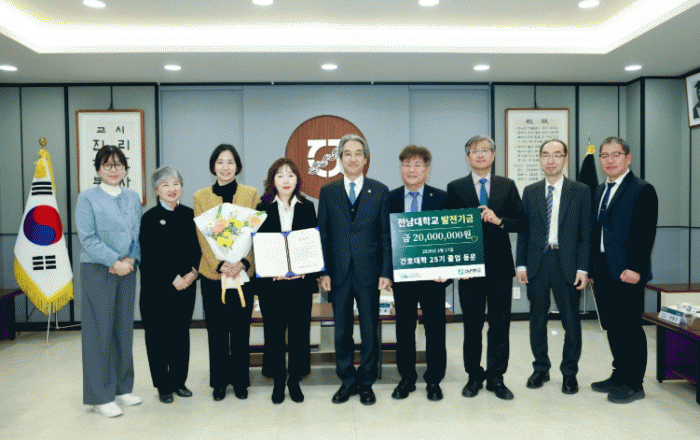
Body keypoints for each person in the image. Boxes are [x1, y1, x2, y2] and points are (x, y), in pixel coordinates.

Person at [446, 135, 525, 401]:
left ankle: (496, 377)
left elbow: (521, 221)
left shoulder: (507, 185)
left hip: (500, 267)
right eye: (474, 151)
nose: (480, 155)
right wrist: (456, 265)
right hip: (469, 268)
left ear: (493, 155)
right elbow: (449, 227)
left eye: (485, 150)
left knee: (500, 325)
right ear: (468, 157)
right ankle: (473, 375)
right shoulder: (455, 187)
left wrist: (499, 220)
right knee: (472, 326)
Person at [318, 134, 392, 405]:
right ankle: (347, 380)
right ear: (339, 159)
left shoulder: (380, 190)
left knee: (369, 330)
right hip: (337, 273)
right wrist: (323, 271)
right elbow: (323, 234)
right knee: (341, 331)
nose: (352, 158)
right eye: (347, 153)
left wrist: (386, 272)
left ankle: (367, 382)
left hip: (369, 272)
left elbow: (385, 235)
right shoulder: (328, 192)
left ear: (366, 159)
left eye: (358, 153)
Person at [515, 139, 591, 395]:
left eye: (557, 155)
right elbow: (524, 231)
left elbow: (586, 233)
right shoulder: (530, 191)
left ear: (565, 159)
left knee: (571, 320)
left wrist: (583, 268)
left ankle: (569, 372)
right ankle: (541, 368)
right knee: (537, 319)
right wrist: (521, 264)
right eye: (546, 155)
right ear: (539, 159)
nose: (551, 160)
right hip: (537, 263)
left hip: (567, 262)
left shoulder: (580, 190)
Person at [589, 136, 658, 404]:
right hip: (603, 268)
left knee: (629, 327)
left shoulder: (642, 189)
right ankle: (619, 374)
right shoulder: (599, 190)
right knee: (612, 325)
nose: (610, 160)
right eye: (604, 156)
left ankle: (634, 383)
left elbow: (645, 233)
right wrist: (592, 267)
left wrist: (635, 268)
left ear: (628, 158)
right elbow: (596, 232)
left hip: (628, 271)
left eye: (615, 155)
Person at [76, 145, 142, 418]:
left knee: (123, 329)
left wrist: (131, 260)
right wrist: (115, 261)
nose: (113, 170)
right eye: (107, 165)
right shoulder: (87, 198)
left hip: (128, 269)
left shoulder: (132, 196)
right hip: (98, 269)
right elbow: (87, 238)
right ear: (98, 169)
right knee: (98, 332)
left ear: (125, 169)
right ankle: (100, 396)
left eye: (118, 165)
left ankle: (122, 387)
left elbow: (138, 234)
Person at [193, 144, 260, 402]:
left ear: (237, 166)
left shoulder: (250, 194)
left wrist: (243, 262)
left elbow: (255, 234)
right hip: (214, 276)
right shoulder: (201, 196)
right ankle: (219, 382)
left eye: (230, 162)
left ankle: (241, 381)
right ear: (213, 166)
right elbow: (201, 236)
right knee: (217, 330)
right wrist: (219, 265)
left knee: (241, 329)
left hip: (242, 273)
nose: (225, 167)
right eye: (220, 162)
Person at [254, 158, 318, 404]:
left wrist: (306, 269)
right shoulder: (261, 208)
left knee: (299, 333)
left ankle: (295, 381)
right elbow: (258, 245)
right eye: (280, 175)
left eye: (290, 175)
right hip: (272, 285)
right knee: (274, 333)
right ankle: (279, 381)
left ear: (297, 180)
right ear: (273, 180)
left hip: (300, 284)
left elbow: (313, 243)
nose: (286, 180)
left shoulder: (307, 207)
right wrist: (272, 270)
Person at [389, 145, 449, 401]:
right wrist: (386, 273)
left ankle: (434, 380)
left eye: (417, 165)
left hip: (433, 278)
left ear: (427, 170)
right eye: (406, 165)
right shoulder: (390, 198)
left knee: (435, 329)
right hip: (402, 277)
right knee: (404, 329)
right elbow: (383, 238)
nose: (411, 170)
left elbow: (450, 238)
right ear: (401, 169)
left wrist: (447, 271)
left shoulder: (442, 198)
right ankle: (406, 378)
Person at [139, 166, 201, 404]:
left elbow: (199, 250)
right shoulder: (149, 218)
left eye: (175, 184)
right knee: (158, 337)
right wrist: (174, 278)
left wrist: (193, 274)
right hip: (157, 289)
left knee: (180, 335)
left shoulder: (190, 215)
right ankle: (163, 386)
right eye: (165, 185)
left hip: (187, 286)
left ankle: (179, 382)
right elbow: (150, 256)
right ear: (157, 190)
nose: (171, 189)